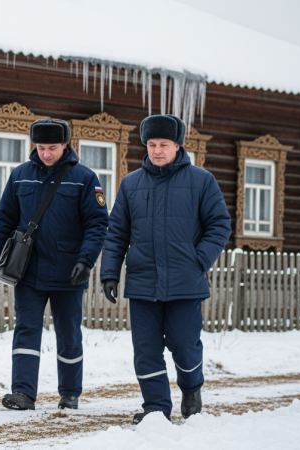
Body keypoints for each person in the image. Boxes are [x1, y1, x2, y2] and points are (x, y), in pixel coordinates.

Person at [100, 114, 230, 424]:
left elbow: (219, 224)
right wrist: (109, 273)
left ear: (177, 145)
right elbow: (116, 232)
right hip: (144, 281)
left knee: (185, 345)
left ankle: (191, 388)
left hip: (186, 281)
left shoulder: (201, 180)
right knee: (146, 349)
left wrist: (198, 259)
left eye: (164, 144)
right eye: (152, 144)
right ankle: (155, 407)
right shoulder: (131, 184)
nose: (157, 150)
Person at [0, 119, 108, 411]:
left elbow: (98, 223)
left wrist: (86, 260)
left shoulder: (85, 178)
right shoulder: (19, 176)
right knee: (26, 329)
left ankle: (69, 393)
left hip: (69, 272)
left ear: (65, 145)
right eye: (41, 147)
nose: (46, 154)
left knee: (69, 332)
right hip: (28, 271)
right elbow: (4, 222)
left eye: (52, 148)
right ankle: (23, 393)